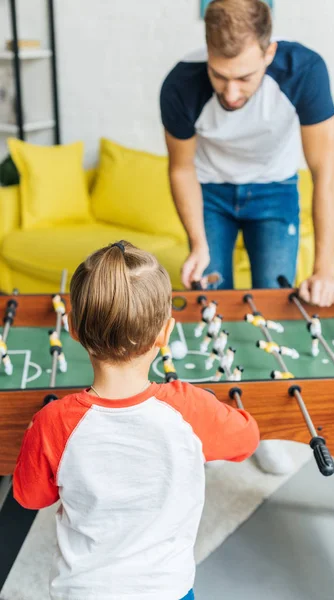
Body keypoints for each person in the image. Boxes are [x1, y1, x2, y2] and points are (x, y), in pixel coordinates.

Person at [13, 241, 260, 600]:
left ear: (74, 329)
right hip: (168, 591)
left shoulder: (52, 422)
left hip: (82, 592)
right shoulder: (188, 407)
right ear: (165, 333)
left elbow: (30, 496)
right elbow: (247, 438)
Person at [160, 0, 334, 308]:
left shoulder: (305, 72)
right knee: (210, 302)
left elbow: (325, 169)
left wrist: (324, 270)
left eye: (244, 78)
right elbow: (181, 168)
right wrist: (198, 243)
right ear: (207, 49)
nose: (230, 94)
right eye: (219, 76)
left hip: (275, 189)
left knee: (274, 299)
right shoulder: (180, 85)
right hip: (210, 194)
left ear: (269, 53)